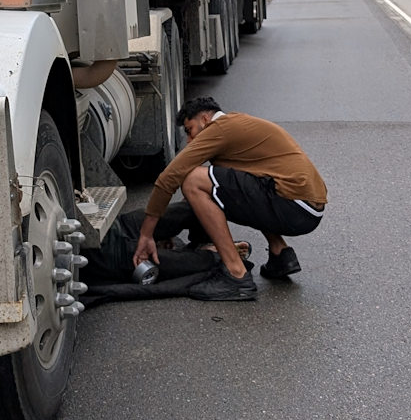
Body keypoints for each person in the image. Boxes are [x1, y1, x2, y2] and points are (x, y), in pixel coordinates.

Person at [132, 96, 327, 301]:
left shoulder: (220, 129)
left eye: (190, 131)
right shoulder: (235, 128)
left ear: (206, 119)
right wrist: (172, 225)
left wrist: (147, 234)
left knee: (192, 180)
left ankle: (236, 275)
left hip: (294, 206)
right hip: (305, 207)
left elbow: (170, 177)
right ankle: (280, 254)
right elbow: (222, 194)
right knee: (229, 180)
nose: (189, 141)